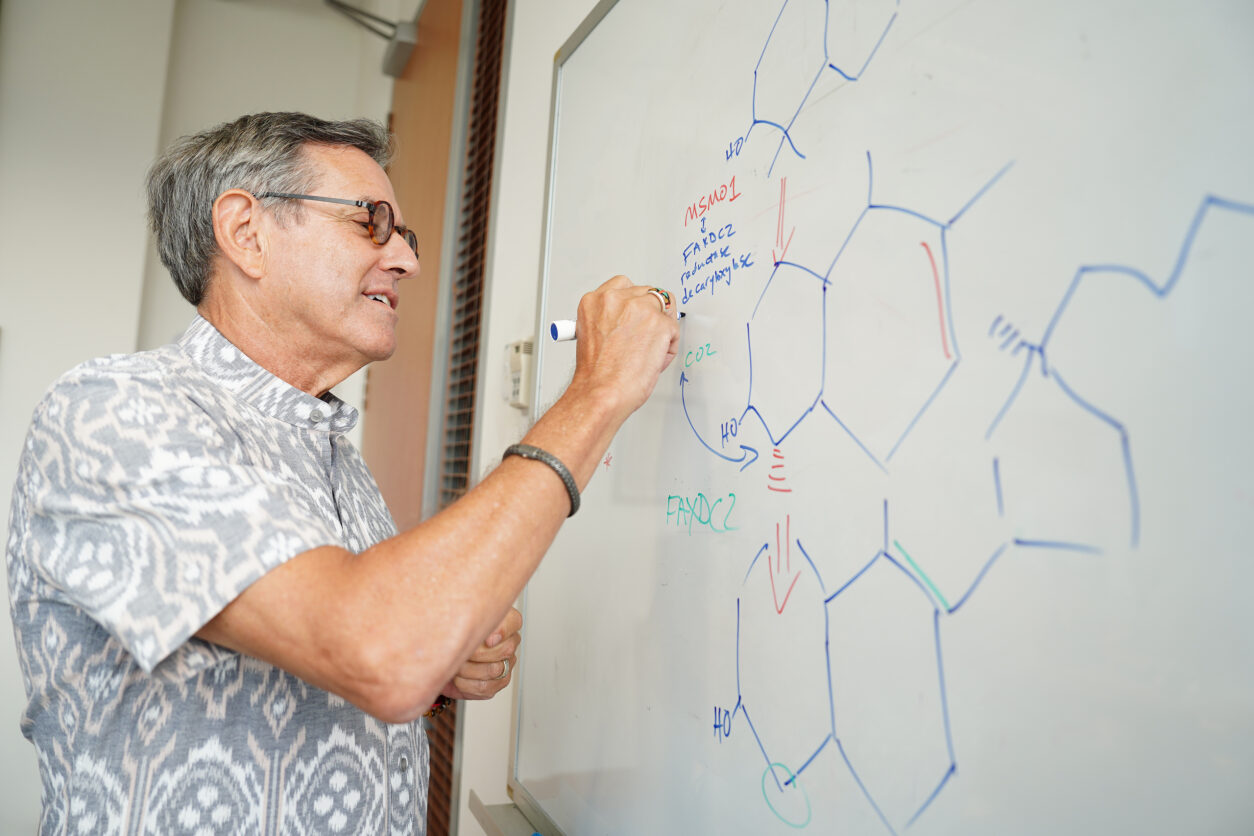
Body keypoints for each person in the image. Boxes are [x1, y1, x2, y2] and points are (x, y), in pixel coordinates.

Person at [4, 112, 679, 834]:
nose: (407, 261)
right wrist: (597, 395)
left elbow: (351, 644)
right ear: (245, 232)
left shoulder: (329, 452)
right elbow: (379, 651)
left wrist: (440, 657)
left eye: (404, 236)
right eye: (371, 222)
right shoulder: (116, 414)